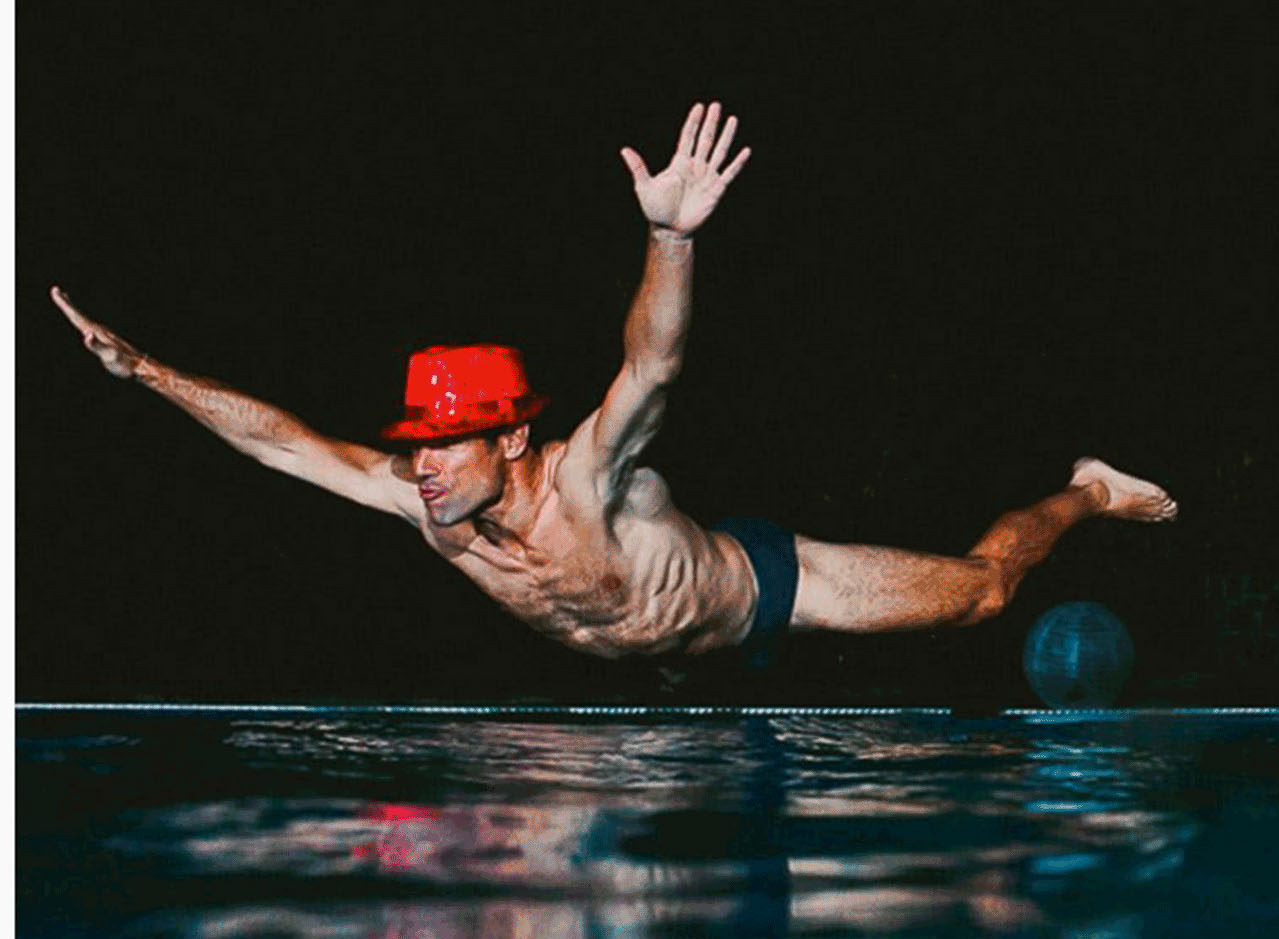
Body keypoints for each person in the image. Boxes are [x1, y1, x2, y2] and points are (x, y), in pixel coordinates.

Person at [51, 101, 1178, 663]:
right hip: (650, 689)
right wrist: (146, 371)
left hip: (761, 593)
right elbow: (282, 443)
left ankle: (1084, 488)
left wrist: (671, 242)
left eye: (444, 445)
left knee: (983, 593)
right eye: (416, 447)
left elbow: (654, 363)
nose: (420, 465)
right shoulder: (426, 504)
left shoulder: (584, 476)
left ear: (509, 441)